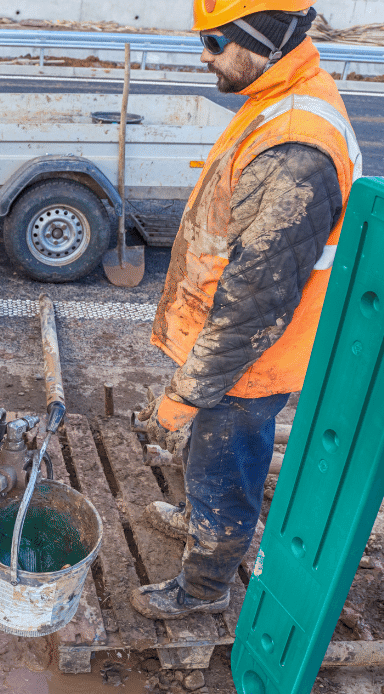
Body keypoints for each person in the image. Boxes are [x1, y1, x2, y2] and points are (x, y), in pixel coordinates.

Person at [131, 0, 361, 619]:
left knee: (225, 464)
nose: (203, 54)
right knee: (213, 450)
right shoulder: (275, 97)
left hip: (253, 358)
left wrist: (185, 394)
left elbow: (252, 306)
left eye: (214, 40)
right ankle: (197, 518)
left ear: (266, 38)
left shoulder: (296, 147)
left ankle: (205, 586)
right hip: (236, 347)